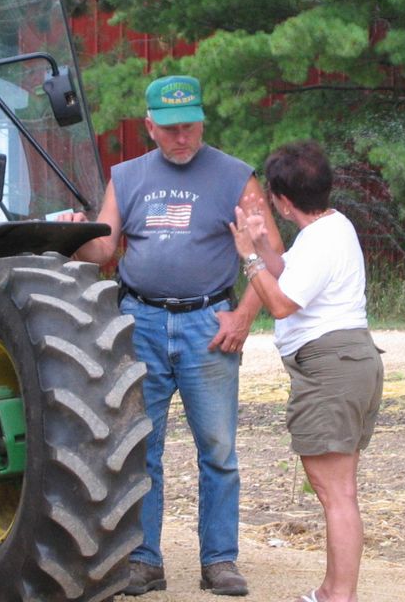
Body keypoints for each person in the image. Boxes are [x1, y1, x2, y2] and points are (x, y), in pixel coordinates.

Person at [60, 75, 282, 597]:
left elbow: (273, 259)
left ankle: (220, 561)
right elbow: (103, 252)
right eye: (171, 129)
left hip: (210, 324)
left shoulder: (235, 177)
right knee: (141, 449)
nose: (183, 137)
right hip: (140, 322)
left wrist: (246, 313)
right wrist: (75, 234)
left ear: (202, 120)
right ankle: (143, 560)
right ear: (150, 127)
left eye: (191, 126)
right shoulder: (128, 177)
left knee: (218, 449)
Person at [230, 140, 383, 602]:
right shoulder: (331, 229)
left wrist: (247, 257)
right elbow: (288, 273)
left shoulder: (321, 240)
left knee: (335, 494)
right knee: (340, 491)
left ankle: (340, 596)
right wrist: (261, 244)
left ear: (281, 199)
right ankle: (332, 591)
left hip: (330, 368)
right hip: (350, 362)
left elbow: (278, 303)